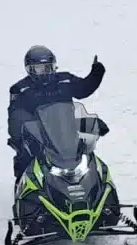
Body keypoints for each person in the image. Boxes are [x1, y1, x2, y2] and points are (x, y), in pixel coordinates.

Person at [7, 45, 106, 179]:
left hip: (67, 135)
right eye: (38, 68)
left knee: (88, 156)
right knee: (25, 158)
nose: (43, 72)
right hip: (39, 138)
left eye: (47, 67)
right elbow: (15, 114)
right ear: (29, 69)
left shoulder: (64, 80)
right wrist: (19, 136)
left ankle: (96, 187)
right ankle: (25, 194)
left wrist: (96, 73)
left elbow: (83, 89)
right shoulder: (21, 89)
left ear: (53, 66)